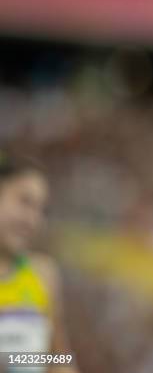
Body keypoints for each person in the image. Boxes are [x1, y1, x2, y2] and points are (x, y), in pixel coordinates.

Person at [0, 152, 78, 373]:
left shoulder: (43, 274)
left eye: (41, 210)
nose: (32, 220)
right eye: (25, 202)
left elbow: (59, 359)